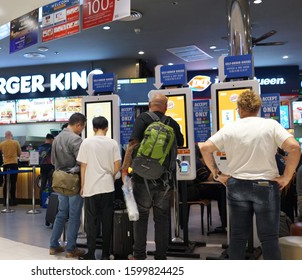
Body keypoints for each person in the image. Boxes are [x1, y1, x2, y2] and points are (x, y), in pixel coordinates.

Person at [200, 90, 300, 260]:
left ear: (239, 109)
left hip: (237, 184)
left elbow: (205, 148)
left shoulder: (231, 127)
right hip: (266, 186)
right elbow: (294, 148)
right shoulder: (271, 125)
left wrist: (217, 174)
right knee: (269, 238)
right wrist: (286, 177)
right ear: (258, 108)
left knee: (238, 238)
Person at [121, 93, 184, 260]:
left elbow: (132, 145)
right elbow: (181, 143)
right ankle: (161, 256)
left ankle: (139, 255)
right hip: (164, 180)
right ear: (166, 106)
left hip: (142, 179)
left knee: (141, 218)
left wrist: (124, 170)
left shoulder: (143, 118)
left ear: (150, 104)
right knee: (161, 219)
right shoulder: (172, 123)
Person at [76, 116, 121, 260]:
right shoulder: (113, 143)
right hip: (107, 187)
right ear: (106, 128)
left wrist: (83, 185)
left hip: (91, 187)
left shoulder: (86, 143)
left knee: (91, 222)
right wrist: (110, 176)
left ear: (94, 128)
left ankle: (91, 253)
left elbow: (83, 166)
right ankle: (106, 254)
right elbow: (117, 166)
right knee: (107, 221)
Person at [49, 112, 86, 259]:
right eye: (81, 128)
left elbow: (52, 160)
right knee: (74, 215)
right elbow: (81, 162)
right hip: (73, 182)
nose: (81, 130)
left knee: (61, 213)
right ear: (78, 125)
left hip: (59, 180)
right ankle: (71, 248)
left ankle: (53, 245)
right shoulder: (76, 140)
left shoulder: (56, 139)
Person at [0, 131, 21, 206]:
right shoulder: (16, 142)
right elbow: (19, 153)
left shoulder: (2, 144)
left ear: (5, 136)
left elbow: (0, 153)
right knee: (13, 182)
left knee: (6, 183)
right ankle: (13, 200)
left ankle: (5, 200)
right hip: (14, 164)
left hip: (6, 164)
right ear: (11, 135)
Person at [38, 133, 55, 203]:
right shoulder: (52, 147)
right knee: (51, 185)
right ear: (51, 140)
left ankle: (41, 201)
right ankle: (50, 202)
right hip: (50, 167)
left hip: (42, 167)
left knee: (43, 185)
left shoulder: (40, 147)